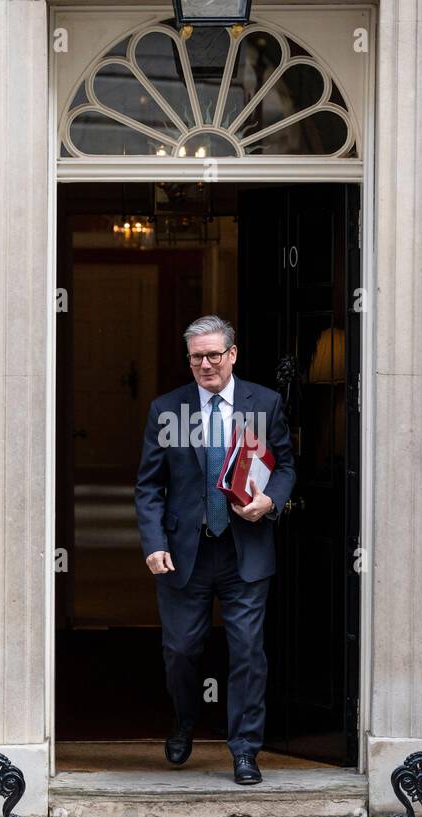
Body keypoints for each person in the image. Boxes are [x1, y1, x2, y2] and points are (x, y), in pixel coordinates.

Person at [134, 315, 296, 784]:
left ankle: (245, 749)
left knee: (247, 650)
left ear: (233, 354)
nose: (205, 364)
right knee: (181, 649)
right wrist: (153, 544)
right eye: (196, 357)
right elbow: (148, 486)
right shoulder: (167, 409)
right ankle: (185, 721)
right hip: (185, 553)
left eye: (213, 355)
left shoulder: (263, 403)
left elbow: (284, 466)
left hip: (245, 550)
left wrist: (270, 501)